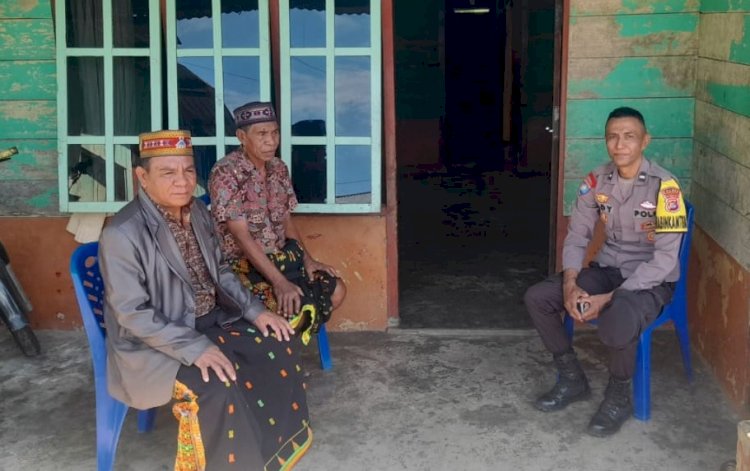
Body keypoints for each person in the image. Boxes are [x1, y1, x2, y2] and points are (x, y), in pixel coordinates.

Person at [99, 130, 312, 470]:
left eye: (187, 171)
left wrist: (256, 312)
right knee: (218, 384)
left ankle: (271, 453)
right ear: (142, 177)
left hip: (210, 320)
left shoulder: (197, 211)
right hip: (158, 343)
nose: (182, 182)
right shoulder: (122, 233)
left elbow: (222, 270)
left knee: (279, 344)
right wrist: (196, 347)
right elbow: (132, 315)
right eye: (168, 173)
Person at [524, 107, 688, 437]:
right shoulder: (597, 181)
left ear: (645, 141)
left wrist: (607, 299)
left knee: (619, 318)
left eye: (629, 136)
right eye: (612, 136)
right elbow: (578, 234)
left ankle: (619, 396)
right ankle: (571, 379)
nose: (619, 144)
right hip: (606, 268)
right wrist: (571, 282)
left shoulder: (666, 188)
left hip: (650, 281)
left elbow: (665, 261)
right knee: (539, 297)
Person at [208, 102, 346, 345]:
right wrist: (279, 282)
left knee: (336, 290)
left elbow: (286, 220)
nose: (271, 141)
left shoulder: (279, 168)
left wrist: (308, 260)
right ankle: (282, 356)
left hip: (283, 259)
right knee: (283, 304)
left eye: (275, 133)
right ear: (242, 137)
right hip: (243, 266)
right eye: (262, 134)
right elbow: (241, 236)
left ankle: (287, 347)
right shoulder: (225, 173)